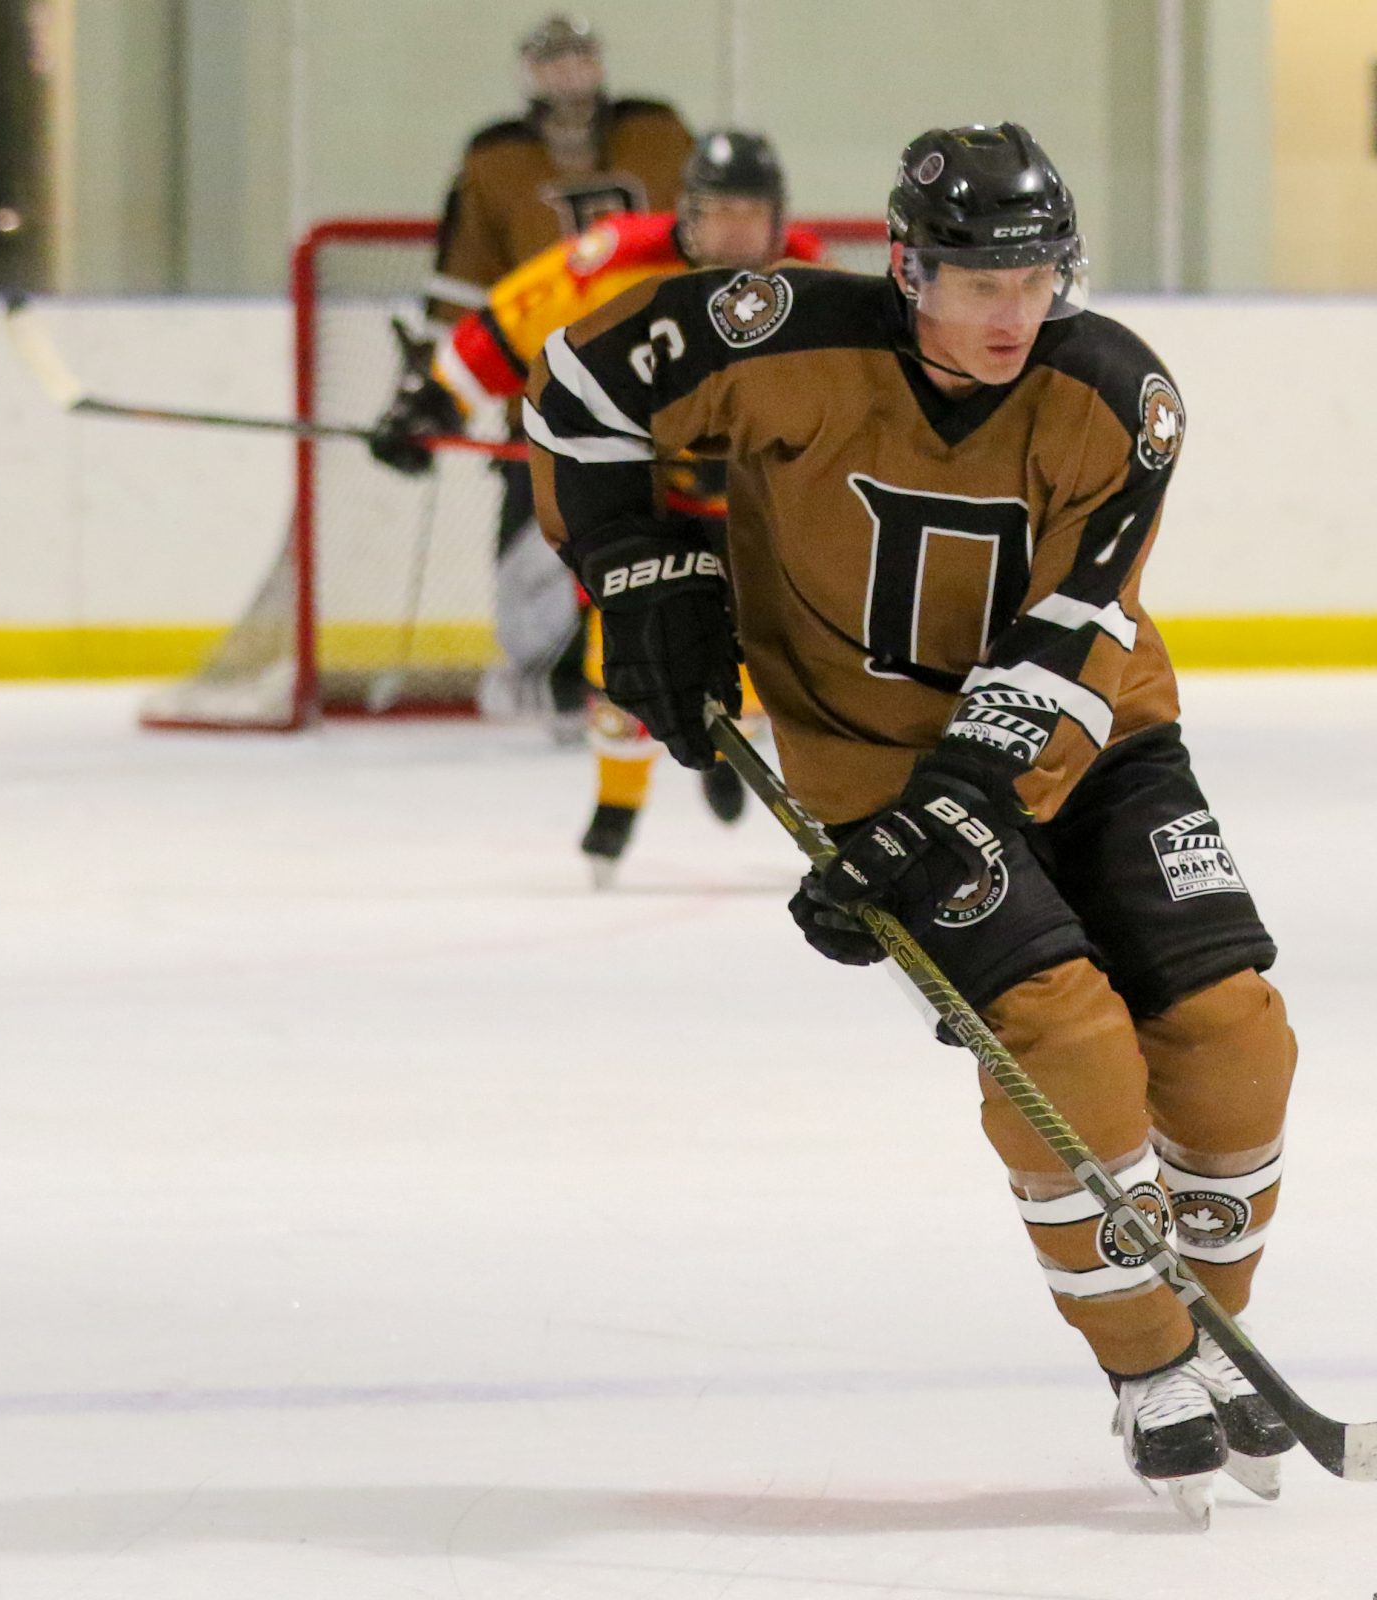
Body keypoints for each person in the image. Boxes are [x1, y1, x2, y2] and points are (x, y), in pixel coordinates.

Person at [522, 123, 1299, 1514]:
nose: (1013, 314)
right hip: (869, 756)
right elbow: (579, 388)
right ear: (907, 267)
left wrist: (958, 807)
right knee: (1064, 1033)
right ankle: (1149, 1366)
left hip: (1098, 732)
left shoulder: (1117, 398)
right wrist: (638, 565)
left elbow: (1076, 630)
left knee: (1233, 1031)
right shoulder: (771, 332)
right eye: (980, 283)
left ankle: (1210, 1335)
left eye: (1037, 280)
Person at [372, 132, 821, 882]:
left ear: (778, 218)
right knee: (625, 663)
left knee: (751, 668)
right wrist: (435, 401)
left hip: (752, 510)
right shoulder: (617, 259)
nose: (737, 233)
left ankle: (725, 748)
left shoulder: (808, 279)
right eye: (721, 213)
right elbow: (512, 321)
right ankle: (616, 812)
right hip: (645, 501)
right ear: (688, 212)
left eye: (752, 214)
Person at [422, 14, 695, 725]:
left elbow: (713, 245)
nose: (568, 73)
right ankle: (551, 680)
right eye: (552, 61)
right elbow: (465, 285)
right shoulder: (496, 158)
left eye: (579, 57)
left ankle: (673, 679)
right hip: (546, 400)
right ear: (528, 74)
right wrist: (429, 390)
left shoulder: (659, 132)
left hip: (668, 401)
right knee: (537, 560)